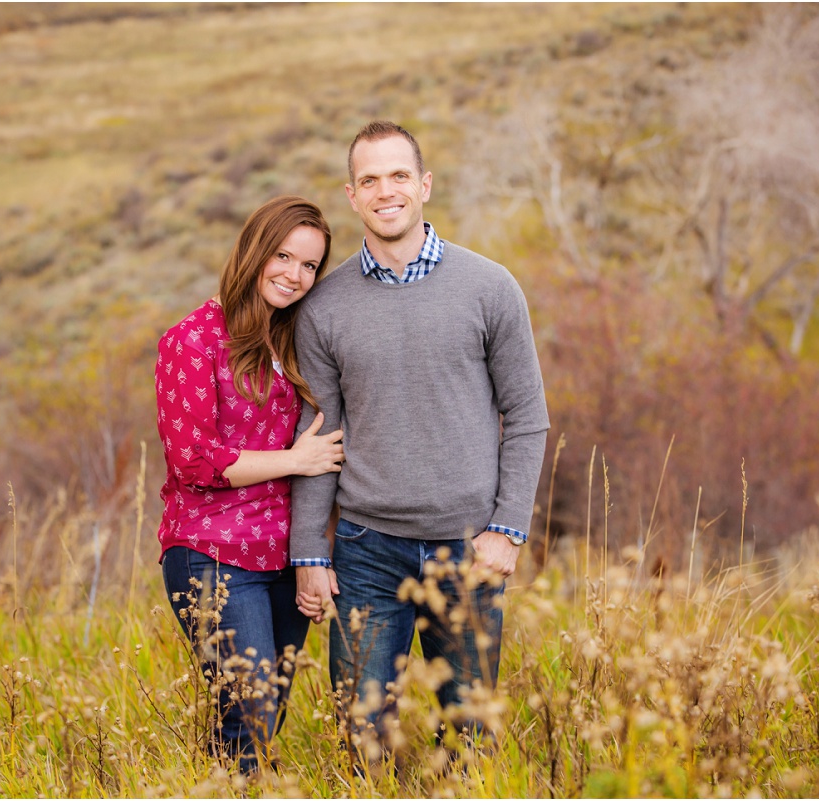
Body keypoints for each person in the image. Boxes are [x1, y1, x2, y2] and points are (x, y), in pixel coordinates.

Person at [290, 121, 550, 751]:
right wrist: (309, 554)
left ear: (424, 185)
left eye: (399, 175)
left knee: (471, 735)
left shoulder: (490, 288)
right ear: (352, 196)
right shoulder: (324, 308)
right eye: (370, 179)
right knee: (361, 732)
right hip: (366, 549)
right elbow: (318, 438)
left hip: (469, 549)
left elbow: (528, 415)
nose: (386, 190)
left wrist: (508, 529)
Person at [154, 195, 345, 775]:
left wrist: (317, 553)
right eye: (283, 257)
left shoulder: (290, 345)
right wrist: (293, 459)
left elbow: (322, 453)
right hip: (211, 553)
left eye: (310, 265)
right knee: (251, 708)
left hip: (282, 560)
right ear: (254, 253)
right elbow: (194, 460)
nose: (295, 275)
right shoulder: (191, 341)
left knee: (262, 718)